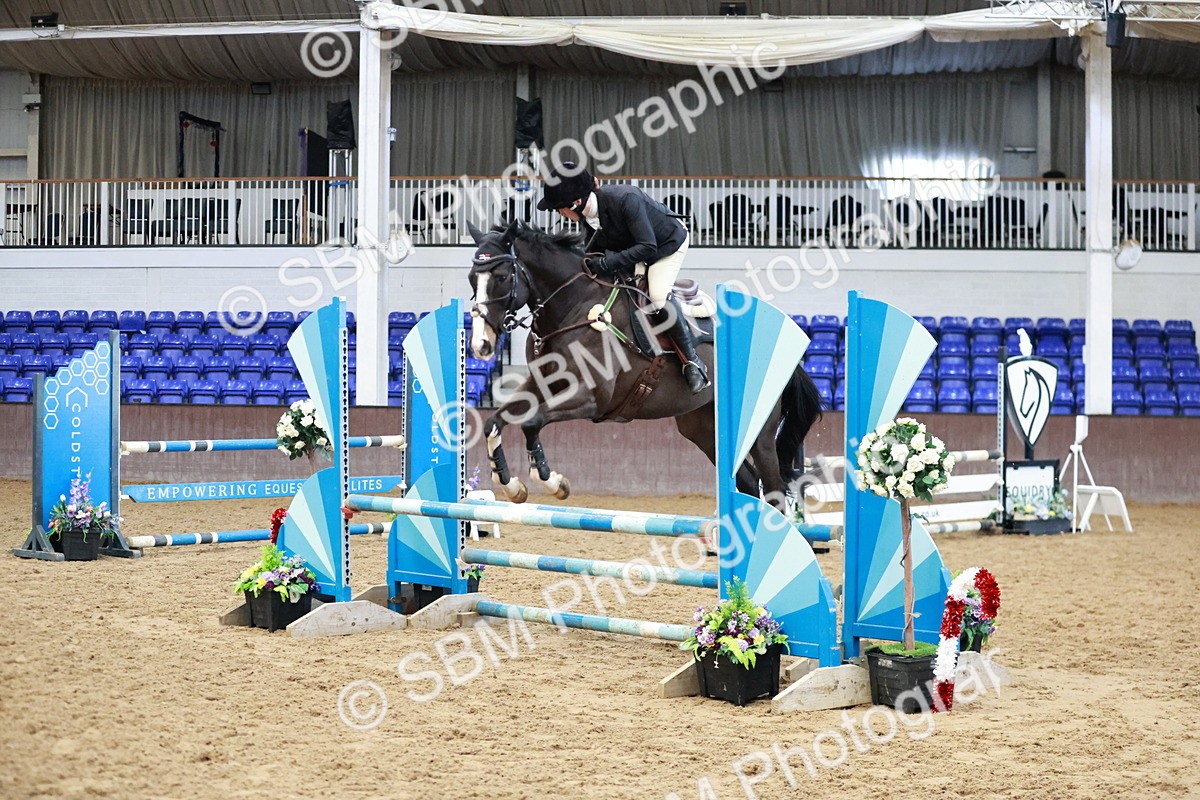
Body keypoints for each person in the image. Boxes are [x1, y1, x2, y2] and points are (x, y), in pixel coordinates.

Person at [537, 162, 709, 393]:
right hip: (633, 244)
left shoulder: (626, 199)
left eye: (558, 208)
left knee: (657, 296)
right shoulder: (589, 213)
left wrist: (608, 262)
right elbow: (593, 249)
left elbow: (647, 247)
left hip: (666, 244)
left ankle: (693, 362)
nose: (559, 213)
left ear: (575, 203)